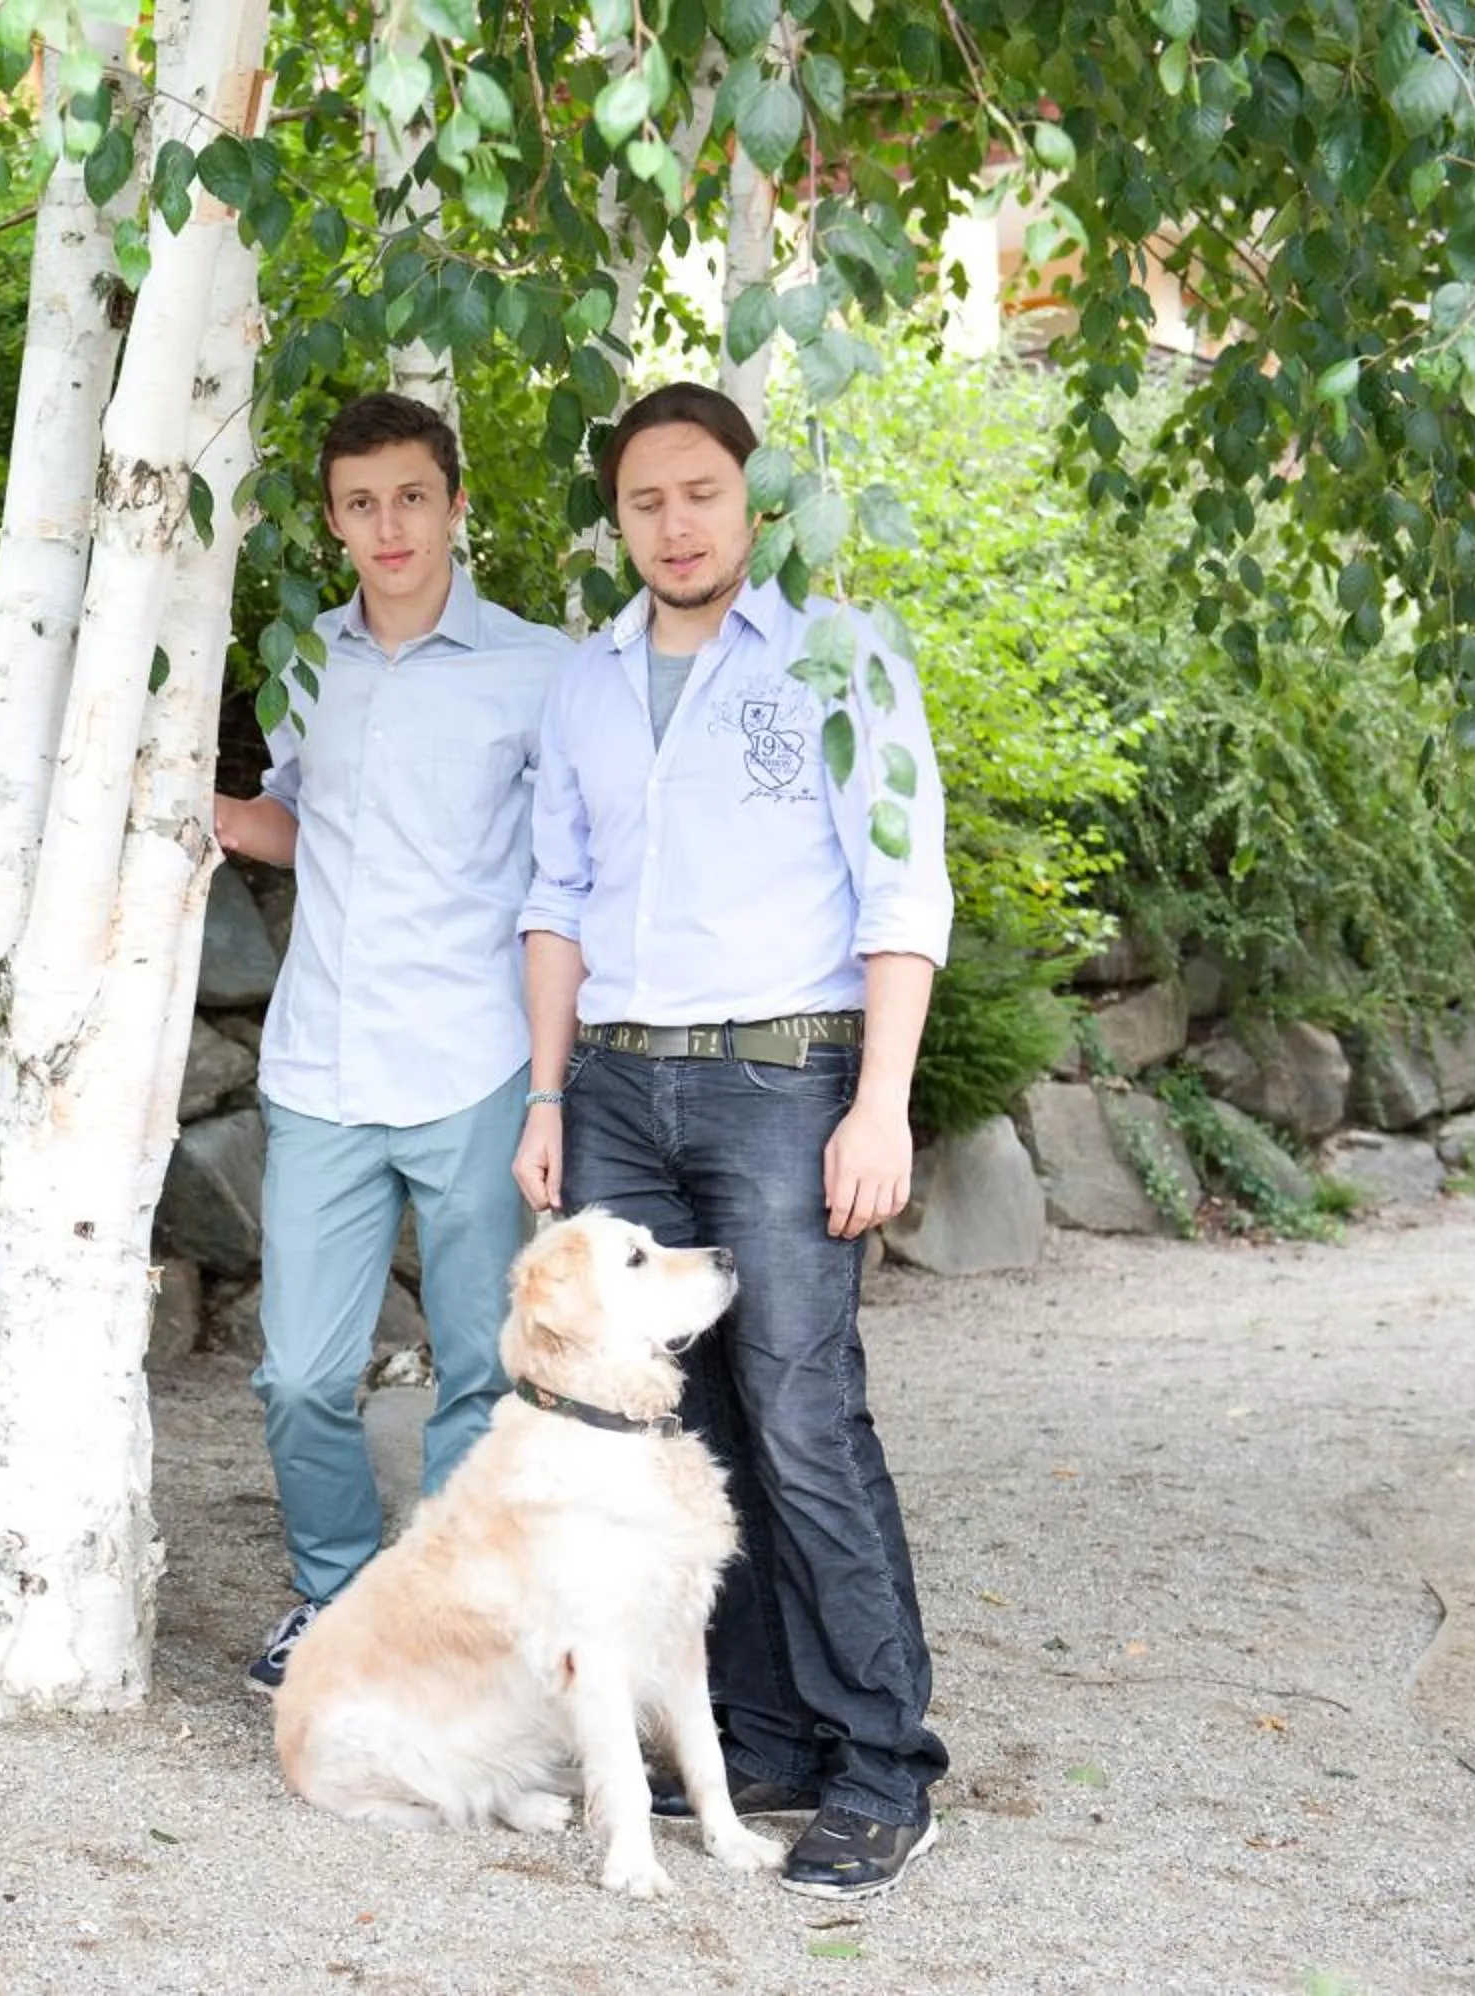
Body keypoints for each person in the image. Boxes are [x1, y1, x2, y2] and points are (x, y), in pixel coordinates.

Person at [511, 380, 954, 1899]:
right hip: (621, 1089)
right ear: (618, 518)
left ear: (749, 498)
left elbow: (903, 894)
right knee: (675, 1428)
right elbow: (555, 898)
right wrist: (550, 1097)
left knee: (805, 1415)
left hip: (786, 1081)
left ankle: (887, 1761)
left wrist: (880, 1103)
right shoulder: (586, 681)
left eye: (701, 491)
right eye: (645, 500)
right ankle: (758, 1730)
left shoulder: (843, 654)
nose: (675, 523)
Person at [212, 392, 571, 1694]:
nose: (389, 525)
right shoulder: (308, 659)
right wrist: (195, 807)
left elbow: (562, 879)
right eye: (360, 503)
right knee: (301, 1374)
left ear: (456, 504)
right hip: (323, 1064)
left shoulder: (540, 669)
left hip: (472, 1061)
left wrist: (548, 1081)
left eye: (411, 497)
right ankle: (339, 1595)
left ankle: (460, 1612)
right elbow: (310, 832)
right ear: (332, 521)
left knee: (479, 1365)